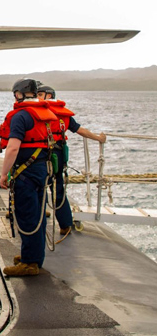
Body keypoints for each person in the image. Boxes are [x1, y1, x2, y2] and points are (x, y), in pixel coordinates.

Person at [0, 79, 58, 277]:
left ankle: (30, 262)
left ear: (19, 94)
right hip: (42, 170)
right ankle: (33, 255)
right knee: (39, 214)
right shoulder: (46, 114)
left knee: (27, 216)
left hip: (26, 173)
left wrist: (4, 173)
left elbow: (13, 147)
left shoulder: (21, 116)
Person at [37, 84, 107, 235]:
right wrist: (98, 138)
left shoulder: (36, 113)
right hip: (57, 156)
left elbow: (81, 130)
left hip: (43, 157)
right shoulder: (63, 116)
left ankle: (44, 225)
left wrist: (98, 138)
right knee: (57, 189)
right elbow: (79, 130)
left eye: (40, 94)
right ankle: (65, 224)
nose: (37, 97)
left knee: (41, 189)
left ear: (49, 95)